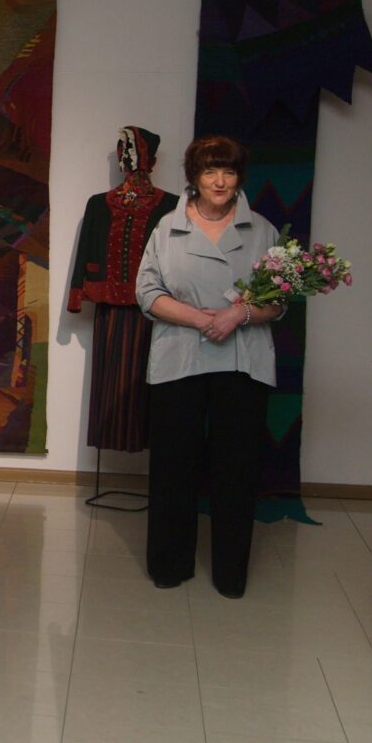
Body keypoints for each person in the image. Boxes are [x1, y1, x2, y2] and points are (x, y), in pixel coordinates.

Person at [135, 135, 284, 598]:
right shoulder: (167, 227)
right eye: (209, 171)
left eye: (229, 171)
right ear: (194, 177)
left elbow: (279, 300)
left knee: (236, 469)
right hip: (179, 357)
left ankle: (230, 573)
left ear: (240, 177)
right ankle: (169, 564)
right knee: (173, 465)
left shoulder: (263, 230)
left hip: (243, 361)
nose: (219, 181)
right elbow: (147, 293)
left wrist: (238, 315)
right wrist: (203, 319)